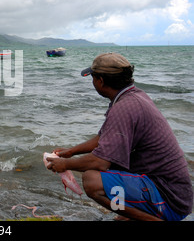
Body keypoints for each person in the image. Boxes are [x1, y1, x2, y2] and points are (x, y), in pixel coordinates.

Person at [46, 52, 193, 221]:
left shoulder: (124, 107)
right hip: (174, 193)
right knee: (113, 167)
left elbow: (99, 162)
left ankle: (151, 219)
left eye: (93, 77)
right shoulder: (133, 96)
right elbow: (104, 138)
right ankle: (136, 214)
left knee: (92, 180)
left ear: (100, 80)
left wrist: (65, 164)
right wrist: (71, 151)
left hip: (170, 199)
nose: (93, 82)